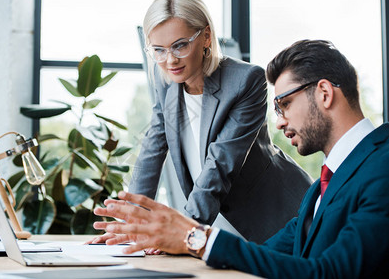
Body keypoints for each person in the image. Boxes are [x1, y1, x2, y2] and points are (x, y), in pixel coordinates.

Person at [92, 39, 389, 278]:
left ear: (324, 93)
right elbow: (266, 256)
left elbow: (330, 273)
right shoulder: (318, 191)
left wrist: (195, 237)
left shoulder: (383, 166)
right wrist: (174, 239)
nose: (280, 122)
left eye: (284, 104)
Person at [124, 0, 311, 244]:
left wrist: (182, 234)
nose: (170, 60)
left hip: (277, 219)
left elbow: (220, 166)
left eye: (180, 45)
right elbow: (152, 149)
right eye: (158, 50)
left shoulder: (245, 81)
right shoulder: (165, 79)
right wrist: (132, 227)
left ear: (206, 37)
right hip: (212, 222)